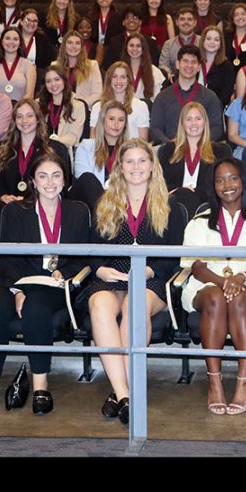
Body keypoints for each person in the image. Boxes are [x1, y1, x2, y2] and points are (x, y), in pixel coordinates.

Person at [0, 152, 90, 417]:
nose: (50, 182)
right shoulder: (15, 210)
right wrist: (18, 290)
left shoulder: (78, 211)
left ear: (65, 180)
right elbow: (9, 257)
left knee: (37, 308)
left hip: (55, 283)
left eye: (56, 175)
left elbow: (83, 256)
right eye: (43, 176)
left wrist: (63, 271)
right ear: (33, 182)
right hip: (16, 278)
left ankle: (40, 386)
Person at [80, 138, 185, 425]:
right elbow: (94, 252)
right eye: (129, 161)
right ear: (120, 168)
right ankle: (125, 394)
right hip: (113, 278)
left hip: (151, 280)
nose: (136, 167)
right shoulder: (106, 203)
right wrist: (100, 271)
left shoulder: (170, 205)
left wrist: (148, 272)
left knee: (135, 305)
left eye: (142, 160)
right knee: (99, 305)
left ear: (152, 166)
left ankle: (123, 392)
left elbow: (174, 257)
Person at [181, 156, 246, 415]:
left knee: (239, 298)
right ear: (213, 186)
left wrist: (240, 279)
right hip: (207, 285)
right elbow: (198, 267)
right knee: (215, 296)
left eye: (233, 178)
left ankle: (244, 379)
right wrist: (225, 282)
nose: (227, 185)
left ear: (243, 181)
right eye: (220, 180)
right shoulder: (199, 221)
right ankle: (214, 380)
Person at [0, 97, 72, 208]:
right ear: (14, 121)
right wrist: (3, 196)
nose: (24, 121)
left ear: (38, 118)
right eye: (19, 117)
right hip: (9, 207)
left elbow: (64, 185)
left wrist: (30, 200)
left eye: (29, 116)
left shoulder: (56, 149)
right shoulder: (3, 148)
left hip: (43, 206)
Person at [157, 102, 232, 214]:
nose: (193, 123)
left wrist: (192, 193)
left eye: (198, 118)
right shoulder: (167, 150)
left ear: (205, 122)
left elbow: (218, 184)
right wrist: (181, 192)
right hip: (174, 206)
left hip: (206, 206)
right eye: (188, 119)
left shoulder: (220, 151)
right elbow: (160, 182)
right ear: (182, 123)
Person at [149, 44, 224, 144]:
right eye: (185, 61)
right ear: (177, 64)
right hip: (170, 151)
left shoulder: (210, 97)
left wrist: (198, 142)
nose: (189, 65)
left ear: (198, 67)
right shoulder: (162, 97)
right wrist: (170, 143)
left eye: (193, 62)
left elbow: (217, 128)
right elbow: (155, 129)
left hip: (201, 149)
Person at [71, 100, 128, 206]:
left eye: (121, 120)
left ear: (125, 125)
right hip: (88, 201)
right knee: (88, 178)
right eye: (111, 119)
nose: (116, 124)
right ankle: (106, 212)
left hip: (118, 199)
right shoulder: (85, 146)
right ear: (102, 121)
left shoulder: (130, 151)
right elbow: (83, 179)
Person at [90, 62, 150, 141]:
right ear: (109, 80)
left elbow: (143, 141)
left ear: (128, 80)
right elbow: (93, 140)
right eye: (114, 77)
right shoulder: (97, 107)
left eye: (123, 77)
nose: (118, 81)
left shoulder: (140, 106)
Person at [36, 63, 86, 148]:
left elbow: (74, 137)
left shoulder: (78, 106)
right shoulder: (36, 104)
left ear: (64, 81)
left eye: (57, 79)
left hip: (63, 152)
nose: (53, 84)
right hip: (40, 151)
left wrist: (52, 142)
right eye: (48, 81)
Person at [101, 5, 159, 73]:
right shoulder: (114, 42)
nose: (131, 20)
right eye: (128, 17)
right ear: (123, 22)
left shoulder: (151, 42)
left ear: (140, 22)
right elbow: (108, 66)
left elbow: (154, 65)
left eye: (135, 17)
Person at [56, 30, 103, 107]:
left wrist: (80, 106)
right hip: (60, 109)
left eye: (77, 43)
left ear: (82, 47)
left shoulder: (92, 65)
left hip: (84, 109)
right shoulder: (55, 66)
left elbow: (97, 94)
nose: (73, 46)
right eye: (70, 43)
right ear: (64, 45)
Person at [0, 27, 37, 103]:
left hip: (20, 111)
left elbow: (29, 95)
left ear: (20, 43)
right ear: (2, 41)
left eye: (15, 39)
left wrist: (17, 109)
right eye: (7, 38)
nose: (11, 42)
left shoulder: (29, 65)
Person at [122, 31, 166, 103]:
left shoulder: (154, 71)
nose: (134, 49)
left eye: (138, 46)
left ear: (143, 49)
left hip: (146, 111)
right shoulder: (119, 70)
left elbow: (156, 100)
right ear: (126, 48)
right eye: (131, 45)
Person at [198, 25, 236, 107]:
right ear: (203, 41)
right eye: (208, 39)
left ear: (220, 44)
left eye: (216, 40)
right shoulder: (195, 62)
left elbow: (226, 95)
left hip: (215, 110)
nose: (212, 42)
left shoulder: (227, 67)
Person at [158, 7, 200, 79]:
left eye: (189, 19)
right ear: (177, 22)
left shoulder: (203, 42)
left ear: (195, 23)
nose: (186, 22)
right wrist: (168, 73)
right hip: (174, 83)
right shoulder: (168, 44)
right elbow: (163, 65)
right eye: (182, 19)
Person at [223, 3, 246, 71]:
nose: (240, 17)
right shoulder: (225, 36)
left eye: (243, 14)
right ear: (232, 19)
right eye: (236, 15)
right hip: (227, 75)